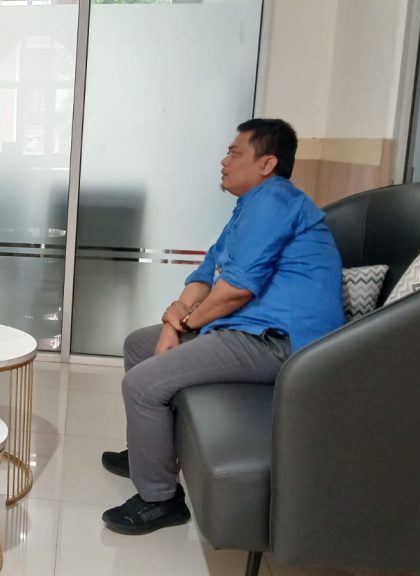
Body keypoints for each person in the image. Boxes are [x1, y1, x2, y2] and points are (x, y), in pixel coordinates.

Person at [100, 118, 345, 535]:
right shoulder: (249, 207)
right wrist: (173, 322)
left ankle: (160, 500)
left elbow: (235, 291)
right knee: (140, 345)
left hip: (281, 342)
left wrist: (182, 323)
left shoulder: (275, 201)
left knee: (142, 385)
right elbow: (205, 273)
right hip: (246, 328)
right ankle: (149, 453)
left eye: (234, 153)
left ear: (267, 163)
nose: (224, 161)